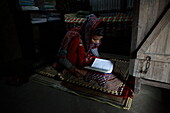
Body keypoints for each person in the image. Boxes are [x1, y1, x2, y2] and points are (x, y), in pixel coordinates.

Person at [54, 14, 114, 87]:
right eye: (95, 39)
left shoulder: (92, 39)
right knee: (85, 73)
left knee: (103, 72)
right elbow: (61, 57)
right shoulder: (72, 35)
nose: (97, 42)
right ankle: (71, 70)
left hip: (84, 58)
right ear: (88, 33)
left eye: (99, 39)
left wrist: (99, 63)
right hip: (71, 61)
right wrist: (74, 69)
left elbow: (94, 51)